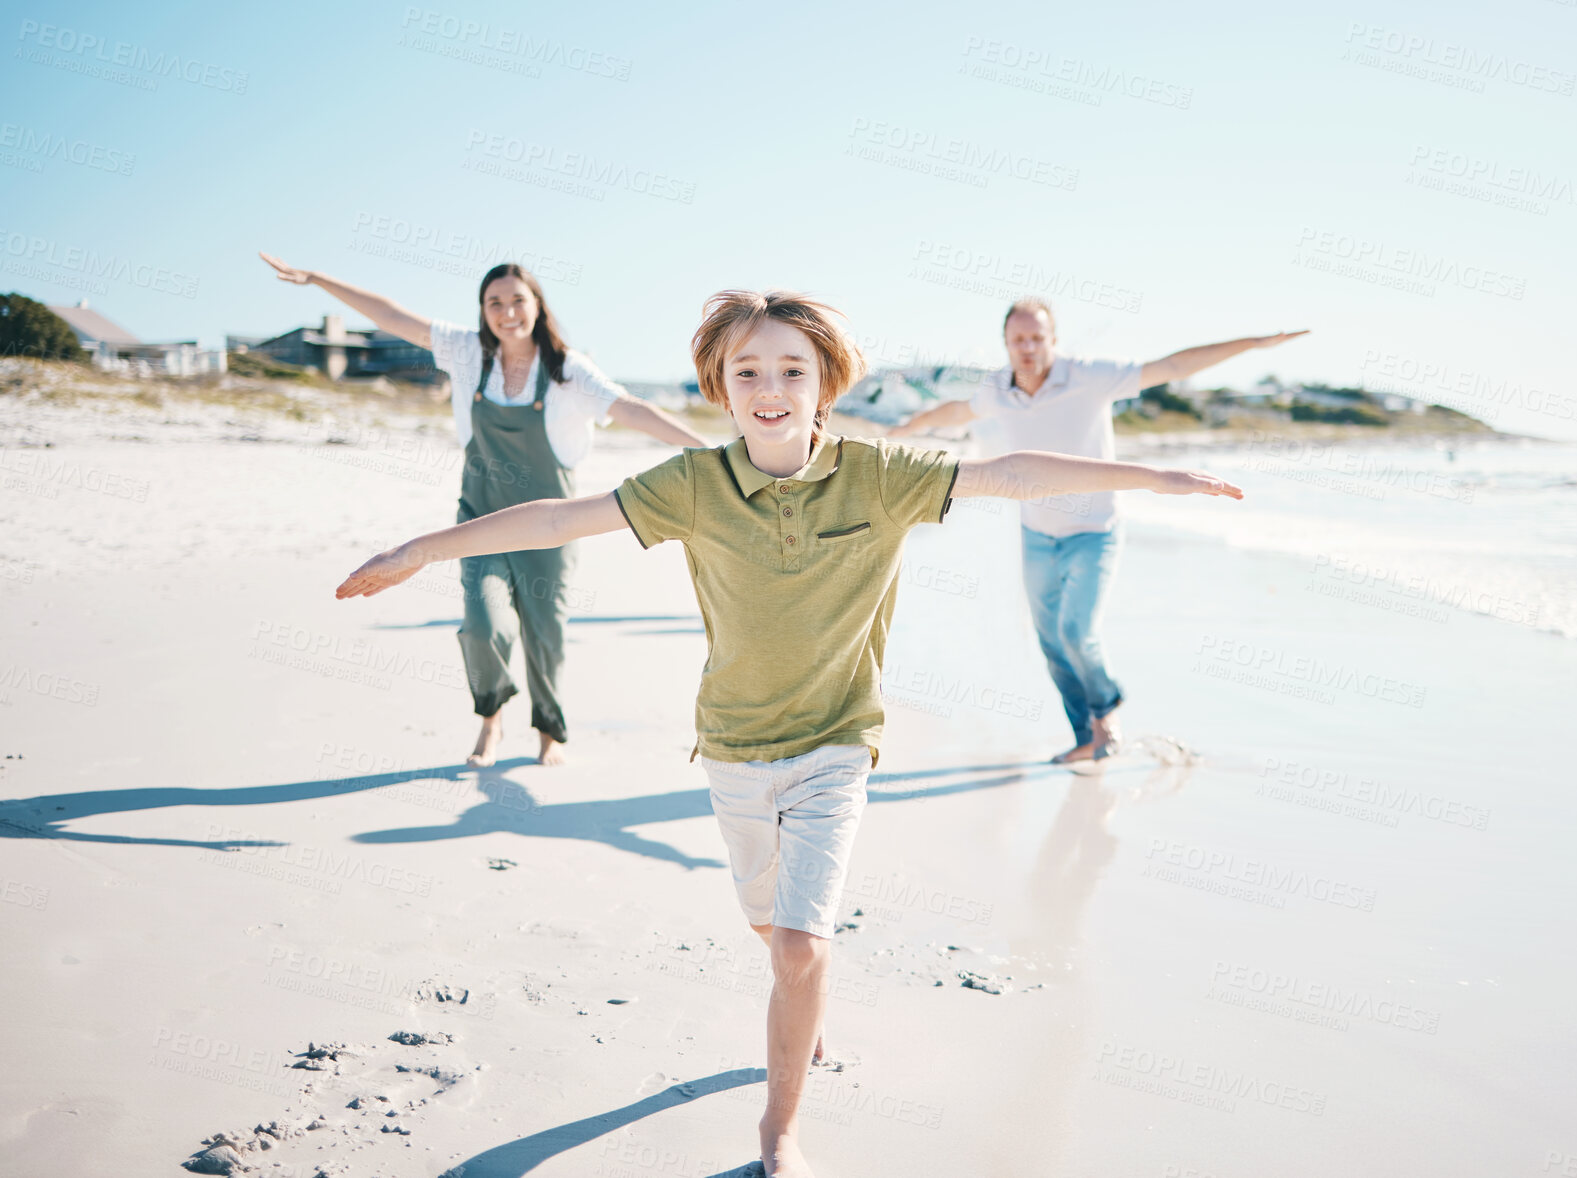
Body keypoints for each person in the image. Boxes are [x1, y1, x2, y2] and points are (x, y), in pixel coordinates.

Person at [333, 289, 1243, 1177]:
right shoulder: (693, 483)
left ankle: (779, 1131)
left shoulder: (877, 475)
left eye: (793, 370)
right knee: (772, 929)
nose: (771, 386)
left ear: (825, 385)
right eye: (749, 370)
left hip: (838, 743)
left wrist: (1155, 477)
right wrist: (419, 549)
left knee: (804, 945)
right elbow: (563, 516)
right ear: (722, 387)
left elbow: (1011, 474)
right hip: (731, 745)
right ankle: (799, 1004)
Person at [260, 253, 710, 765]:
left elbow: (632, 409)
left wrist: (706, 452)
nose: (507, 311)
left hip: (553, 529)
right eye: (494, 302)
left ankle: (548, 734)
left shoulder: (567, 371)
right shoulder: (467, 354)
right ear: (482, 311)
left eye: (518, 299)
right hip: (478, 522)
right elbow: (392, 317)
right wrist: (318, 278)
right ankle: (490, 721)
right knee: (483, 626)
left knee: (547, 635)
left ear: (537, 305)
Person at [889, 298, 1306, 765]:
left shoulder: (1088, 376)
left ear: (1054, 340)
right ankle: (1087, 736)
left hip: (1094, 531)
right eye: (1017, 340)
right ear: (1006, 344)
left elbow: (1169, 366)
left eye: (1036, 339)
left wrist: (1252, 344)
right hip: (1037, 532)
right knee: (1051, 643)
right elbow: (956, 411)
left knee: (1075, 630)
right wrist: (908, 427)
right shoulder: (998, 389)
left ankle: (1106, 714)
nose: (1027, 348)